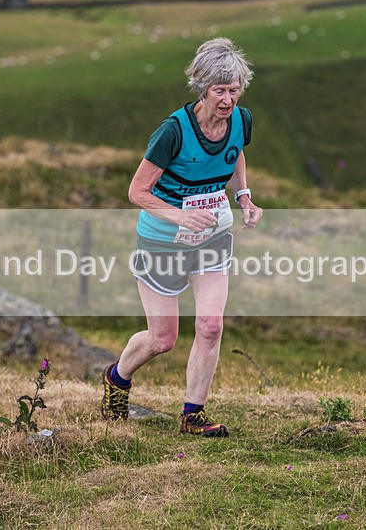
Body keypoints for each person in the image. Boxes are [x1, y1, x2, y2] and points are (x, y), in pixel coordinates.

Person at [101, 38, 262, 437]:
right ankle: (117, 378)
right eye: (219, 91)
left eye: (234, 89)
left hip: (212, 238)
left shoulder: (241, 119)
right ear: (202, 88)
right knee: (162, 339)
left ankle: (193, 414)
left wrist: (243, 196)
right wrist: (180, 216)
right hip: (161, 242)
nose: (228, 100)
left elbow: (236, 150)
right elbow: (137, 192)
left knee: (210, 324)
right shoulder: (172, 131)